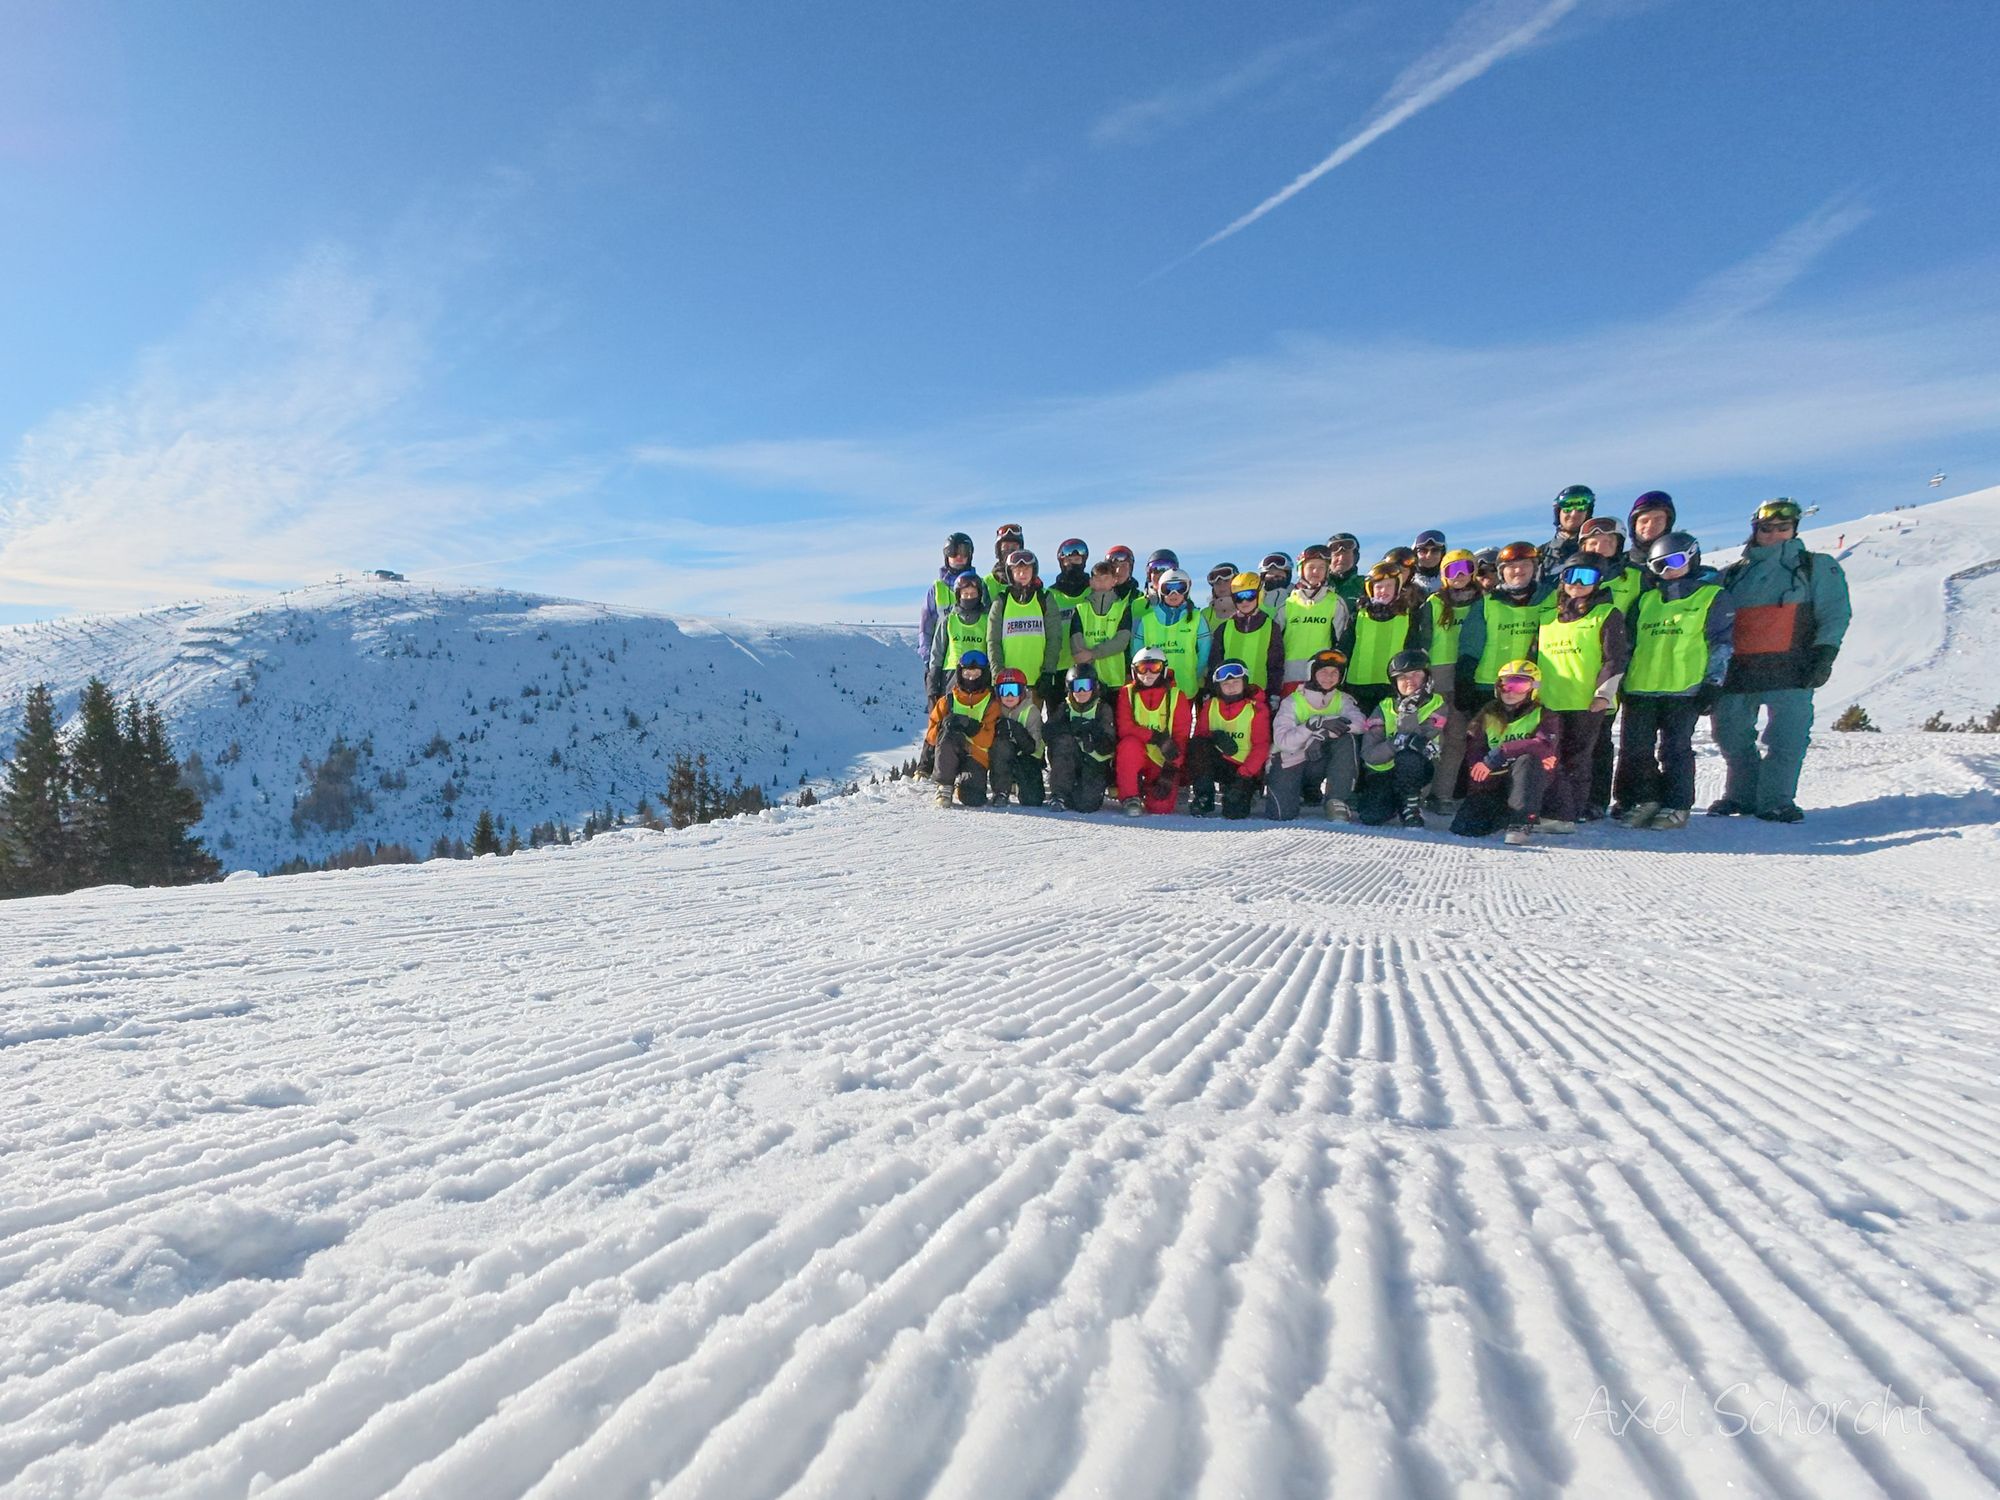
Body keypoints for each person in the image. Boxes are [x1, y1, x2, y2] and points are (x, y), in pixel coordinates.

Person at [1710, 497, 1852, 822]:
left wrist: (1825, 653)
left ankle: (1776, 799)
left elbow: (1835, 612)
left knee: (1787, 737)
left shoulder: (1815, 567)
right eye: (1766, 528)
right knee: (1730, 734)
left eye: (1782, 528)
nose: (1774, 534)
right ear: (1755, 530)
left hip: (1791, 668)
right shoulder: (1731, 576)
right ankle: (1741, 795)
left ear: (1794, 530)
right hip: (1738, 670)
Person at [1615, 531, 1735, 829]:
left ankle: (1676, 804)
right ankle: (1646, 799)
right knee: (1636, 748)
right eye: (1659, 566)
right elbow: (1629, 644)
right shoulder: (1646, 601)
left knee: (1675, 749)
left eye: (1675, 561)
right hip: (1641, 687)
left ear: (1693, 557)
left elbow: (1721, 643)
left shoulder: (1711, 596)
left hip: (1683, 689)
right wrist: (1621, 681)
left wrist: (1712, 683)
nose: (1668, 570)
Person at [1533, 558, 1630, 832]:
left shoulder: (1606, 614)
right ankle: (1548, 808)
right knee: (1551, 757)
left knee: (1578, 759)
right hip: (1550, 701)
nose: (1578, 583)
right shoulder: (1547, 618)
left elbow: (1615, 658)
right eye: (1572, 576)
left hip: (1584, 702)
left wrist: (1604, 694)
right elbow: (1535, 658)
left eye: (1586, 577)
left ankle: (1570, 811)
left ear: (1597, 581)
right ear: (1562, 580)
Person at [1574, 516, 1643, 820]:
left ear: (1618, 546)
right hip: (1577, 669)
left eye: (1608, 542)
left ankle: (1598, 799)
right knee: (1578, 737)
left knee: (1602, 737)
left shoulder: (1633, 577)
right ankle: (1573, 796)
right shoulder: (1572, 577)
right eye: (1593, 543)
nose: (1600, 548)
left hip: (1621, 666)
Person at [1451, 660, 1560, 845]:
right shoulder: (1487, 715)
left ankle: (1521, 821)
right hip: (1495, 781)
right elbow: (1475, 755)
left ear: (1533, 688)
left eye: (1520, 685)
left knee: (1528, 760)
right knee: (1465, 827)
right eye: (1505, 685)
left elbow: (1542, 745)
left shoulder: (1544, 715)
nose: (1510, 691)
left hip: (1528, 784)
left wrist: (1501, 754)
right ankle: (1507, 814)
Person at [1266, 649, 1369, 821]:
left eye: (1334, 673)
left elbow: (1360, 724)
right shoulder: (1293, 701)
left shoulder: (1342, 699)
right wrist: (1310, 725)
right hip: (1290, 759)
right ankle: (1297, 789)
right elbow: (1284, 742)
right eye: (1323, 672)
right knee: (1281, 815)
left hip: (1320, 757)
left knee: (1347, 739)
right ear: (1312, 673)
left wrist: (1320, 733)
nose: (1329, 677)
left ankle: (1337, 800)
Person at [1357, 650, 1450, 827]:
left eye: (1416, 674)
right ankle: (1395, 802)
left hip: (1415, 770)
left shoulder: (1437, 705)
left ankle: (1411, 805)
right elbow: (1369, 754)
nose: (1409, 681)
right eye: (1402, 677)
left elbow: (1421, 740)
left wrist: (1409, 710)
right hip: (1383, 772)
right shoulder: (1384, 707)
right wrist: (1396, 743)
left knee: (1409, 755)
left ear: (1427, 677)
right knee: (1371, 816)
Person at [1456, 541, 1550, 709]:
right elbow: (1470, 648)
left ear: (1534, 568)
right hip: (1489, 687)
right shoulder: (1486, 603)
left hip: (1536, 689)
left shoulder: (1552, 598)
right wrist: (1464, 684)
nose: (1518, 571)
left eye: (1525, 565)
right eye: (1511, 566)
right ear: (1502, 572)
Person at [1424, 549, 1483, 811]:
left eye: (1463, 568)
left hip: (1469, 675)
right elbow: (1422, 642)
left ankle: (1442, 794)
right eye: (1451, 570)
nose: (1458, 575)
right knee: (1431, 737)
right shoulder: (1434, 602)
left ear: (1473, 571)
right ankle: (1419, 792)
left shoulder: (1484, 602)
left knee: (1456, 739)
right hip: (1437, 676)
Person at [1342, 562, 1431, 713]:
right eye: (1379, 587)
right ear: (1371, 589)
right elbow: (1346, 645)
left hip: (1392, 685)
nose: (1383, 591)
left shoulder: (1409, 615)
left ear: (1397, 587)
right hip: (1358, 684)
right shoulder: (1358, 614)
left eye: (1389, 586)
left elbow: (1414, 648)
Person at [1190, 660, 1271, 819]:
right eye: (1226, 684)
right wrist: (1214, 736)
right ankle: (1204, 796)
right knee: (1197, 746)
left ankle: (1246, 791)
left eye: (1236, 682)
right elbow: (1200, 737)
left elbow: (1261, 747)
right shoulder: (1210, 705)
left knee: (1234, 813)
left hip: (1244, 769)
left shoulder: (1256, 709)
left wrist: (1243, 776)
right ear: (1218, 687)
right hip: (1220, 762)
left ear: (1244, 683)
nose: (1231, 687)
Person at [1115, 647, 1192, 815]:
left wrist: (1171, 769)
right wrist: (1156, 737)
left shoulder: (1177, 696)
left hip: (1163, 756)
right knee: (1127, 745)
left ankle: (1148, 787)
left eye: (1154, 668)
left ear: (1163, 669)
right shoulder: (1127, 693)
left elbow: (1182, 736)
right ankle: (1130, 796)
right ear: (1134, 671)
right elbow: (1125, 728)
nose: (1148, 674)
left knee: (1161, 807)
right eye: (1142, 668)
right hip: (1138, 751)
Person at [926, 650, 1002, 808]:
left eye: (976, 673)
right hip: (950, 752)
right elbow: (931, 738)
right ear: (960, 674)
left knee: (973, 799)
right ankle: (945, 785)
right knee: (947, 733)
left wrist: (970, 726)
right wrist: (942, 726)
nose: (971, 678)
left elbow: (988, 741)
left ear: (984, 674)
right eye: (967, 673)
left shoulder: (991, 703)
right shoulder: (947, 701)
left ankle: (965, 784)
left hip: (976, 755)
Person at [985, 548, 1062, 702]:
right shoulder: (1002, 601)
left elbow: (1054, 638)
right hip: (1008, 683)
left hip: (1036, 681)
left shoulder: (1044, 598)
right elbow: (993, 642)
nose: (1022, 573)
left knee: (1033, 724)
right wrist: (997, 674)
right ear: (1010, 573)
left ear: (1034, 571)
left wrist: (1048, 672)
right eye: (1017, 570)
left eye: (1027, 569)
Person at [1278, 544, 1353, 692]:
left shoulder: (1335, 602)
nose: (1315, 571)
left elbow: (1343, 642)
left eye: (1321, 567)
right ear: (1301, 570)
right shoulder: (1287, 604)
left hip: (1322, 675)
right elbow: (1274, 643)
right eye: (1311, 567)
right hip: (1290, 675)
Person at [1044, 665, 1117, 813]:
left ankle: (1078, 789)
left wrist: (1091, 732)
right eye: (1077, 687)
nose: (1082, 692)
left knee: (1087, 806)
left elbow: (1109, 746)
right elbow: (1047, 733)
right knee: (1063, 742)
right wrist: (1070, 728)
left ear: (1095, 687)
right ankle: (1059, 794)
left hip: (1094, 761)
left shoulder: (1102, 709)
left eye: (1086, 686)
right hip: (1070, 759)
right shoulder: (1065, 708)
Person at [1131, 568, 1210, 704]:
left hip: (1185, 685)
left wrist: (1194, 675)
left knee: (1182, 724)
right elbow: (1137, 653)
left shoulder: (1196, 618)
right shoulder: (1148, 619)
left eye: (1180, 588)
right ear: (1160, 590)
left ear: (1187, 590)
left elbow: (1204, 652)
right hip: (1154, 685)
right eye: (1168, 588)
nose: (1174, 593)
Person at [1207, 571, 1286, 697]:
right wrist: (1212, 692)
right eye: (1238, 597)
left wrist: (1273, 694)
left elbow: (1275, 666)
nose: (1244, 601)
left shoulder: (1271, 627)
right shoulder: (1224, 628)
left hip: (1259, 695)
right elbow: (1214, 664)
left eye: (1249, 595)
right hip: (1229, 696)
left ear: (1259, 594)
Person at [920, 532, 976, 699]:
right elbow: (926, 628)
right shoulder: (937, 589)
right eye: (953, 552)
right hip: (945, 667)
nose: (958, 556)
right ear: (946, 556)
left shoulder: (978, 586)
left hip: (975, 666)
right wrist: (930, 663)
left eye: (963, 551)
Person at [1069, 558, 1135, 692]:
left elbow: (1121, 642)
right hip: (1088, 682)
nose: (1102, 583)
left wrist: (1093, 653)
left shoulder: (1122, 608)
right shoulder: (1081, 609)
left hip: (1116, 680)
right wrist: (1085, 658)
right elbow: (1076, 643)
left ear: (1114, 581)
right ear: (1091, 582)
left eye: (1106, 578)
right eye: (1098, 579)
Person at [925, 570, 992, 701]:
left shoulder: (987, 619)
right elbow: (937, 652)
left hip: (979, 675)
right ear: (958, 595)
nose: (969, 597)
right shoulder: (949, 620)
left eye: (973, 594)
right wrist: (933, 682)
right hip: (951, 676)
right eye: (965, 594)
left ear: (980, 595)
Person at [988, 668, 1046, 807]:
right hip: (1002, 758)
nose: (1009, 695)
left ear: (1022, 691)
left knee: (1032, 801)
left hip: (1026, 758)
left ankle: (1021, 784)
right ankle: (1001, 792)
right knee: (1001, 746)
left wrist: (1016, 730)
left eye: (1013, 690)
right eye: (1004, 690)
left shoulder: (1031, 711)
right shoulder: (995, 709)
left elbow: (1034, 747)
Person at [1045, 538, 1093, 681]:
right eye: (1068, 560)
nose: (1072, 564)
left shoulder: (1093, 591)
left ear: (1084, 561)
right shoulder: (1050, 594)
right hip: (1059, 667)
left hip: (1088, 666)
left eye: (1077, 559)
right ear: (1061, 562)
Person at [1538, 484, 1596, 585]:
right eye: (1567, 507)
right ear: (1558, 512)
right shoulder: (1540, 555)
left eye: (1581, 506)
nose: (1574, 513)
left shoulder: (1597, 550)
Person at [1627, 491, 1676, 573]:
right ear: (1634, 526)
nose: (1650, 525)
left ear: (1667, 524)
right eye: (1644, 521)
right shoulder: (1618, 569)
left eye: (1658, 520)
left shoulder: (1679, 565)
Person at [1325, 533, 1366, 607]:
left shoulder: (1366, 585)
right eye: (1336, 555)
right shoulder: (1315, 586)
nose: (1341, 559)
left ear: (1355, 557)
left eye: (1346, 554)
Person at [988, 522, 1026, 597]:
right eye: (1006, 547)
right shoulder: (987, 583)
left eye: (1014, 547)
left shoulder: (1029, 581)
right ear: (999, 550)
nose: (1010, 551)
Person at [1202, 562, 1240, 634]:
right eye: (1217, 583)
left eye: (1226, 581)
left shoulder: (1247, 608)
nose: (1222, 586)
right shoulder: (1205, 614)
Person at [1410, 530, 1448, 595]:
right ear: (1415, 554)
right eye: (1423, 551)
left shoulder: (1451, 581)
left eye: (1435, 550)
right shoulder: (1406, 582)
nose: (1429, 556)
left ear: (1442, 554)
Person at [1258, 551, 1293, 617]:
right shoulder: (1254, 595)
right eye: (1271, 573)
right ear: (1263, 576)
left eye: (1279, 573)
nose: (1274, 576)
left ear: (1288, 575)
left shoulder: (1297, 593)